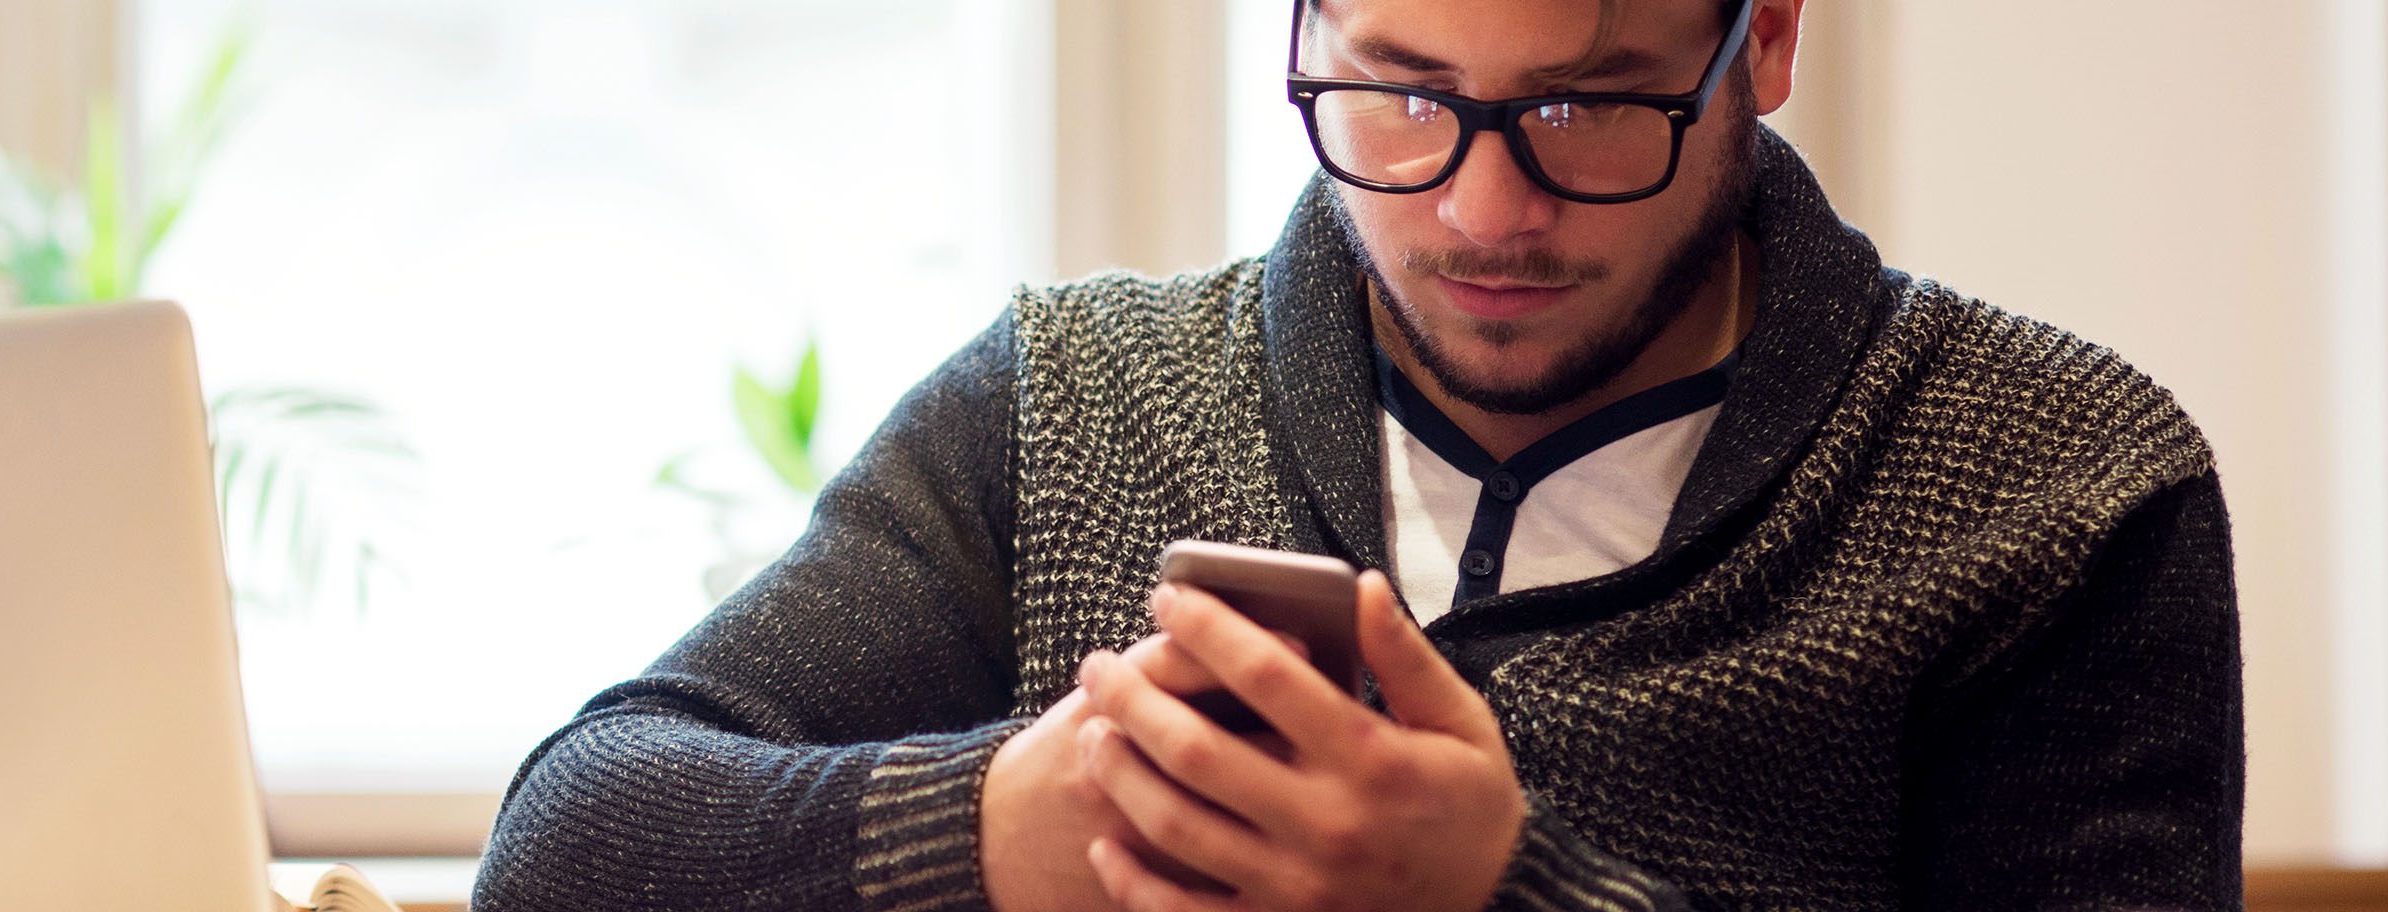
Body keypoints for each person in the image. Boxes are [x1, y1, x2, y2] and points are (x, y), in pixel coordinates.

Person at [474, 0, 2244, 907]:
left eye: (1585, 106)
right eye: (1397, 90)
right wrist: (1006, 832)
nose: (1484, 211)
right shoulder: (1075, 398)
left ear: (1764, 38)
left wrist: (1499, 892)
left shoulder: (2056, 488)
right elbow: (568, 852)